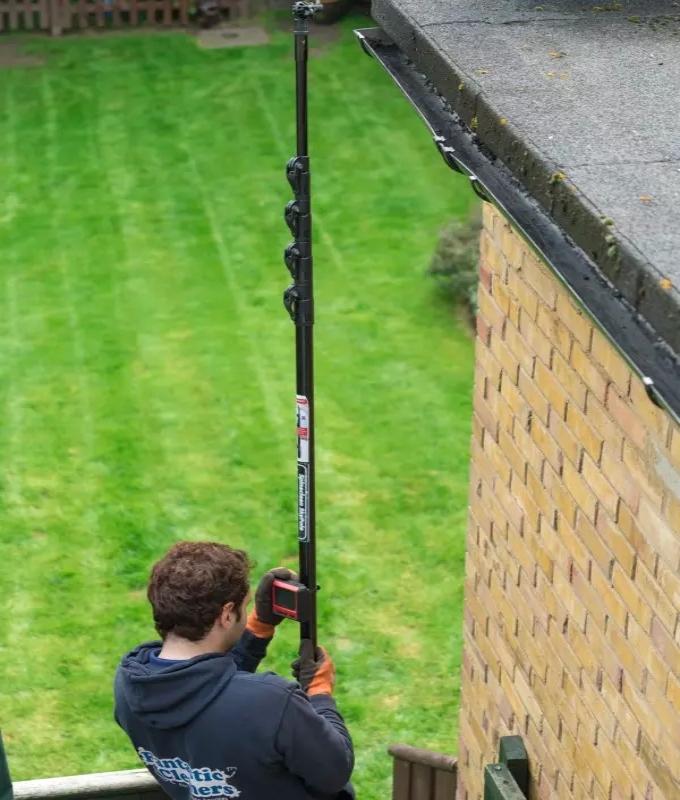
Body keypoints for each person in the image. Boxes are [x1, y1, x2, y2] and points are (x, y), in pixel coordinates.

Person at [114, 541, 354, 799]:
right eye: (244, 606)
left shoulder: (131, 685)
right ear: (227, 614)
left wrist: (258, 628)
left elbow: (204, 690)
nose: (246, 611)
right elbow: (334, 771)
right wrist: (319, 692)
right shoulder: (272, 702)